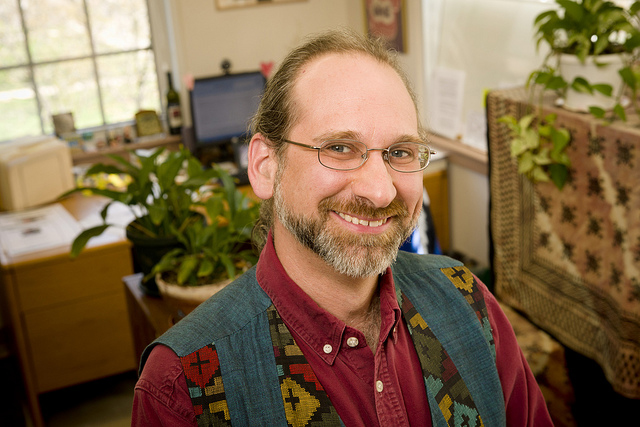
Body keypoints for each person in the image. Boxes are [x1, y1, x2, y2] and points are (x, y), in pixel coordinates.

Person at [132, 29, 553, 426]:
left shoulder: (467, 298)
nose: (379, 191)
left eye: (400, 151)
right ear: (265, 167)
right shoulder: (181, 387)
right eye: (338, 148)